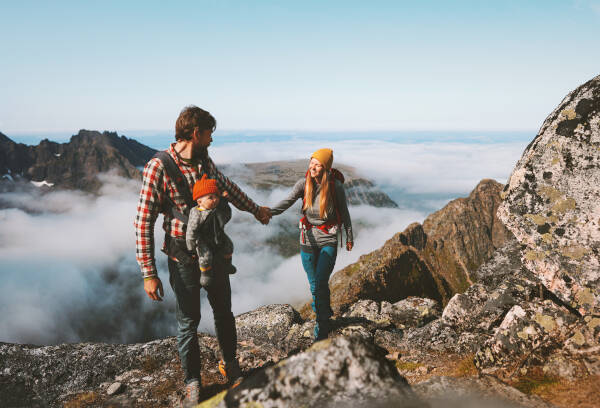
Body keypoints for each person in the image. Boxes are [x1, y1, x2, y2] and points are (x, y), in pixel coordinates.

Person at [134, 106, 271, 406]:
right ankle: (192, 381)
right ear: (196, 133)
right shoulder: (158, 167)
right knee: (188, 320)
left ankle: (231, 365)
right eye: (209, 133)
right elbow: (144, 221)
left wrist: (256, 209)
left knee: (224, 312)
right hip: (182, 257)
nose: (211, 140)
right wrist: (148, 272)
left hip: (214, 254)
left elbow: (226, 188)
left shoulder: (203, 161)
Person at [269, 148, 353, 341]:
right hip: (307, 238)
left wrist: (349, 237)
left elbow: (345, 213)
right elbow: (288, 201)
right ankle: (324, 313)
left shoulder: (335, 187)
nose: (313, 167)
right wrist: (267, 212)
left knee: (321, 281)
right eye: (311, 163)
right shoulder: (303, 184)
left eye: (318, 164)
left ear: (326, 167)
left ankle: (321, 326)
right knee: (315, 285)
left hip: (328, 238)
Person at [186, 174, 236, 288]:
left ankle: (227, 264)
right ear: (199, 202)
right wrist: (191, 245)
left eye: (216, 196)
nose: (215, 200)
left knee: (229, 246)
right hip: (202, 238)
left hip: (217, 235)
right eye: (210, 198)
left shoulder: (216, 208)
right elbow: (191, 230)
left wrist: (224, 200)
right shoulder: (196, 213)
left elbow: (226, 217)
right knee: (205, 256)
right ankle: (206, 273)